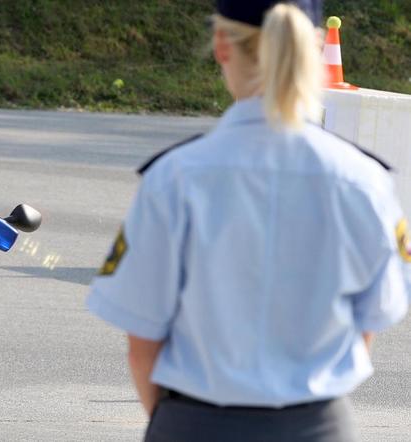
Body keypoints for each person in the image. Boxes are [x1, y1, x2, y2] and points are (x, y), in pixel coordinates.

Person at [87, 1, 409, 441]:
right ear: (314, 48)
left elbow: (142, 344)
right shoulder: (364, 181)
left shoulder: (174, 178)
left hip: (195, 425)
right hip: (317, 427)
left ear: (222, 45)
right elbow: (370, 322)